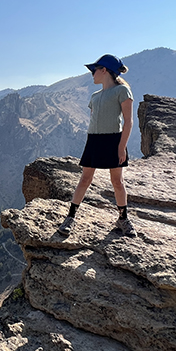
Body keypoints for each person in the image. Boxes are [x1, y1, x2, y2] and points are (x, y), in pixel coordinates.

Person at [58, 54, 137, 237]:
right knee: (85, 179)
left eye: (95, 70)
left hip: (113, 140)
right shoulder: (95, 96)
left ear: (104, 70)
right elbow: (95, 118)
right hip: (94, 140)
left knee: (117, 181)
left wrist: (121, 147)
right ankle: (70, 217)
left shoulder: (123, 91)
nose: (92, 74)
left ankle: (123, 219)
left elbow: (128, 122)